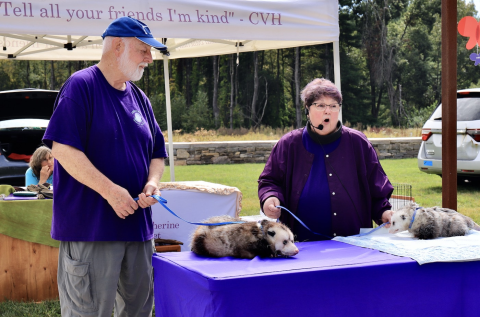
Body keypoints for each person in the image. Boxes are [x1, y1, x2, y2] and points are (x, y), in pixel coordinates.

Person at [42, 16, 168, 317]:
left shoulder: (140, 98)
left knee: (138, 311)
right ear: (118, 46)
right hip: (91, 230)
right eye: (143, 50)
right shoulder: (81, 86)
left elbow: (156, 153)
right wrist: (110, 191)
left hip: (138, 230)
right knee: (89, 312)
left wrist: (153, 182)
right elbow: (62, 150)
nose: (150, 58)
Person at [258, 78, 394, 242]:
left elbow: (377, 187)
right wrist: (270, 197)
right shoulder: (289, 144)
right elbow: (270, 180)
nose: (327, 111)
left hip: (354, 243)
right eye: (321, 105)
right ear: (307, 109)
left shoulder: (358, 143)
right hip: (300, 245)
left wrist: (383, 212)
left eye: (333, 106)